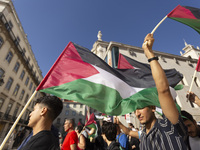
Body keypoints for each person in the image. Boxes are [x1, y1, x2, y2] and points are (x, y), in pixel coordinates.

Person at [115, 33, 188, 149]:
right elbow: (129, 133)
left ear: (153, 107)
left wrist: (149, 54)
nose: (137, 113)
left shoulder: (168, 126)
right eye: (135, 110)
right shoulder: (143, 136)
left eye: (141, 107)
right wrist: (118, 123)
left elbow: (163, 90)